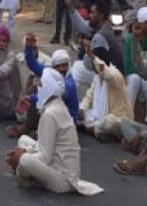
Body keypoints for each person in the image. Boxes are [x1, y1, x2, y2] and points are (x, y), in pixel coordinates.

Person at [7, 68, 104, 196]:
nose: (39, 88)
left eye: (41, 84)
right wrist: (26, 151)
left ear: (49, 88)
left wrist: (22, 156)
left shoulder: (51, 114)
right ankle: (28, 171)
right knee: (23, 139)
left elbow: (45, 157)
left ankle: (27, 175)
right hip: (55, 162)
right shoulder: (56, 106)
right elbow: (45, 146)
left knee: (25, 161)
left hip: (62, 179)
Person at [8, 48, 79, 138]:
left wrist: (30, 98)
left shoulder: (68, 84)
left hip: (66, 121)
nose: (61, 69)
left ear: (68, 65)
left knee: (39, 95)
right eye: (58, 66)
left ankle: (29, 128)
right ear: (53, 67)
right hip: (55, 115)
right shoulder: (52, 73)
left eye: (64, 66)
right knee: (37, 90)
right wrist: (29, 46)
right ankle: (32, 127)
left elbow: (49, 99)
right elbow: (34, 65)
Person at [79, 40, 132, 141]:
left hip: (118, 118)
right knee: (79, 112)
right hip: (99, 117)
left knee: (109, 122)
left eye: (93, 63)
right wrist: (81, 109)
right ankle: (97, 131)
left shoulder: (116, 75)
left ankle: (95, 130)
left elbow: (106, 73)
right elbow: (89, 96)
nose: (93, 66)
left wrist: (93, 57)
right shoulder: (97, 78)